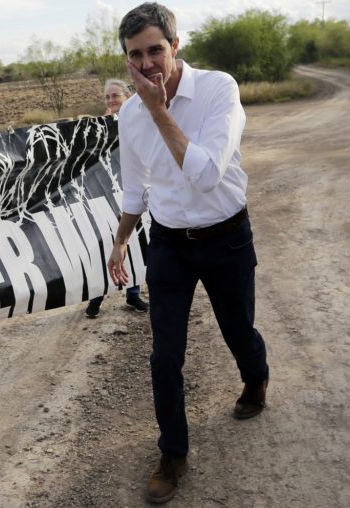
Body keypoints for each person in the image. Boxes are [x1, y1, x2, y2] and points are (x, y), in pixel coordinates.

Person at [105, 3, 270, 504]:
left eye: (156, 49)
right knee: (164, 355)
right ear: (127, 60)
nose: (148, 64)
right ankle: (173, 454)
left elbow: (205, 174)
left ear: (175, 46)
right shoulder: (130, 116)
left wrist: (160, 110)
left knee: (237, 328)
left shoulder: (219, 89)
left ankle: (256, 378)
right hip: (170, 244)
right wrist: (121, 238)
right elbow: (135, 188)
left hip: (226, 236)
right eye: (136, 55)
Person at [86, 78, 149, 317]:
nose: (111, 101)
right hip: (103, 195)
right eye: (107, 97)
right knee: (103, 244)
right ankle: (95, 297)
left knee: (133, 244)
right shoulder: (97, 128)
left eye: (116, 96)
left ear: (128, 97)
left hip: (133, 193)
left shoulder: (141, 121)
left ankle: (133, 295)